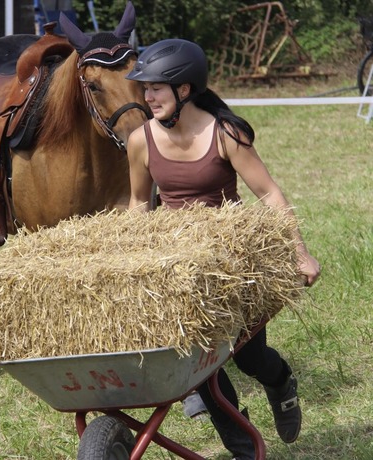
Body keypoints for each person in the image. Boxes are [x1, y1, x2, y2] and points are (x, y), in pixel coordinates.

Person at [125, 38, 321, 459]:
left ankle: (282, 384)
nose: (147, 96)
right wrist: (130, 261)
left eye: (156, 87)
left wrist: (300, 252)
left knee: (250, 359)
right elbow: (140, 203)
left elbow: (269, 194)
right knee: (195, 369)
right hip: (179, 267)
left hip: (232, 263)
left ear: (184, 89)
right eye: (145, 88)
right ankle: (242, 444)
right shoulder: (140, 140)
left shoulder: (225, 133)